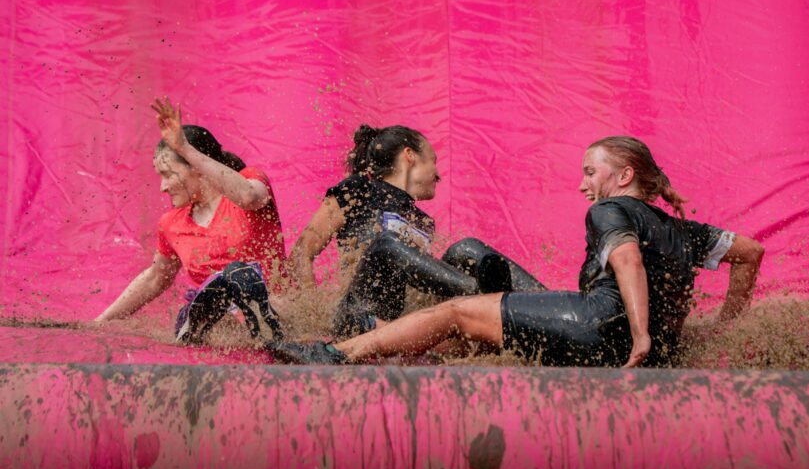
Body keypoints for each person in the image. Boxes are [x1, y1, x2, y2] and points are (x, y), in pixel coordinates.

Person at [271, 136, 765, 368]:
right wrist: (723, 324)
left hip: (601, 329)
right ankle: (396, 341)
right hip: (634, 343)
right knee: (477, 327)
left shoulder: (611, 211)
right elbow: (751, 252)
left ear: (624, 176)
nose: (582, 185)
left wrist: (640, 336)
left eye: (590, 172)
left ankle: (334, 354)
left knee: (460, 312)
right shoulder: (686, 230)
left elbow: (628, 262)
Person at [289, 124, 544, 337]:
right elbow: (302, 251)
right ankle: (484, 292)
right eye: (434, 161)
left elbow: (419, 287)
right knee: (387, 243)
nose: (438, 174)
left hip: (399, 320)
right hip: (357, 313)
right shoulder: (358, 189)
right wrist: (315, 314)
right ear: (410, 155)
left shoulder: (421, 221)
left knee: (464, 248)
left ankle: (547, 303)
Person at [95, 98, 288, 343]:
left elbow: (249, 197)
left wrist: (184, 148)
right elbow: (155, 278)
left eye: (168, 175)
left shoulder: (249, 180)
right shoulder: (170, 223)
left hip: (272, 313)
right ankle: (207, 320)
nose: (163, 187)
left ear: (197, 167)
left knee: (236, 275)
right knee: (210, 298)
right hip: (218, 323)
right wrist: (100, 323)